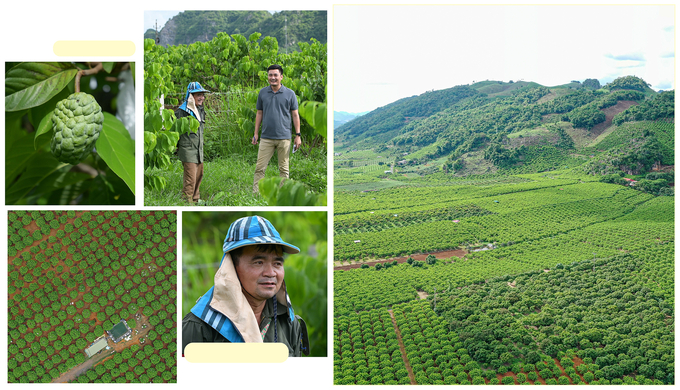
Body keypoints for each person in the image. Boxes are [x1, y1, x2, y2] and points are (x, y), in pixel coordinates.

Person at [182, 216, 310, 357]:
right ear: (231, 267)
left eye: (277, 263)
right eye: (258, 262)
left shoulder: (288, 323)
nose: (271, 273)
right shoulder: (200, 326)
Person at [252, 64, 302, 193]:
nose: (272, 77)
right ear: (267, 76)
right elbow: (259, 113)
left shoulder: (290, 94)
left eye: (275, 75)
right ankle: (256, 193)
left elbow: (295, 115)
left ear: (281, 77)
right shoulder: (263, 92)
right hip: (266, 137)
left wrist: (298, 135)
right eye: (270, 75)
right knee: (260, 168)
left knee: (284, 169)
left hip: (284, 137)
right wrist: (256, 133)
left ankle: (283, 194)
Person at [175, 82, 209, 204]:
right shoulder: (182, 111)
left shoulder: (200, 109)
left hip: (198, 149)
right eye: (198, 95)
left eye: (202, 95)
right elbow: (175, 131)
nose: (202, 98)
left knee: (199, 175)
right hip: (188, 149)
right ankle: (187, 202)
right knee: (190, 178)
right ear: (190, 96)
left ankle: (195, 200)